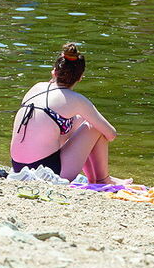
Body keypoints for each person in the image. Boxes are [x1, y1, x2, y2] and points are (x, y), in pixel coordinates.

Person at [10, 43, 125, 184]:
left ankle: (97, 179)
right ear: (80, 77)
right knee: (94, 126)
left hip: (18, 168)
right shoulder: (77, 100)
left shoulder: (36, 88)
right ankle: (103, 179)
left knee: (76, 121)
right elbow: (111, 134)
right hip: (47, 172)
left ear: (54, 72)